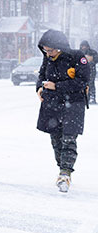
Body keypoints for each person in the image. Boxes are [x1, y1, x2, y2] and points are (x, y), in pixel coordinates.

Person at [36, 30, 90, 193]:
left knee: (68, 139)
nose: (48, 53)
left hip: (72, 105)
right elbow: (41, 75)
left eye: (51, 50)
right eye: (45, 50)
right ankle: (62, 168)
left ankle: (65, 173)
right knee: (56, 140)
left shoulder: (77, 58)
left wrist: (57, 86)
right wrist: (39, 88)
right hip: (52, 105)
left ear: (59, 47)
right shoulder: (48, 59)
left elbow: (82, 81)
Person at [79, 40, 97, 104]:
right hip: (81, 71)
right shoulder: (79, 53)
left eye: (85, 46)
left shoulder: (92, 52)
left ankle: (92, 97)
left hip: (91, 70)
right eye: (82, 46)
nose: (84, 47)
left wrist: (91, 61)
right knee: (82, 84)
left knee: (91, 84)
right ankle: (85, 97)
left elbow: (96, 59)